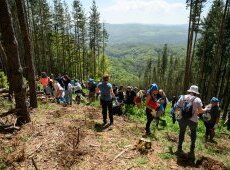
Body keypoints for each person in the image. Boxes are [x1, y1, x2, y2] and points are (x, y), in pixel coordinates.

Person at [174, 85, 206, 161]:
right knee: (193, 133)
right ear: (196, 92)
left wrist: (177, 117)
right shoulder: (198, 99)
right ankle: (192, 148)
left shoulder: (182, 97)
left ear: (190, 91)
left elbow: (177, 108)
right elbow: (201, 111)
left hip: (182, 118)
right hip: (193, 120)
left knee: (182, 132)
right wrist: (206, 109)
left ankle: (179, 146)